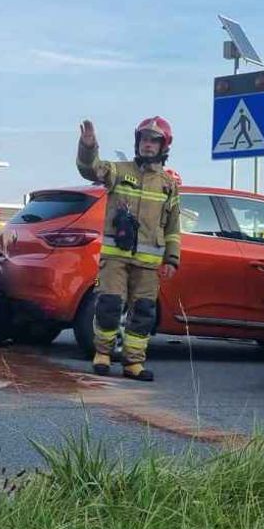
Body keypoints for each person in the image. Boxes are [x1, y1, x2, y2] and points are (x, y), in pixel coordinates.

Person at [76, 116, 180, 381]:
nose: (147, 145)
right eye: (144, 139)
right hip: (115, 260)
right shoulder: (118, 171)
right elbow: (90, 168)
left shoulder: (169, 185)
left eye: (153, 141)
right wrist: (89, 146)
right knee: (109, 304)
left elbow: (172, 227)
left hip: (148, 264)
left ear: (163, 146)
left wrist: (171, 259)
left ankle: (133, 363)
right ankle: (102, 354)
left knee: (144, 312)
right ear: (138, 142)